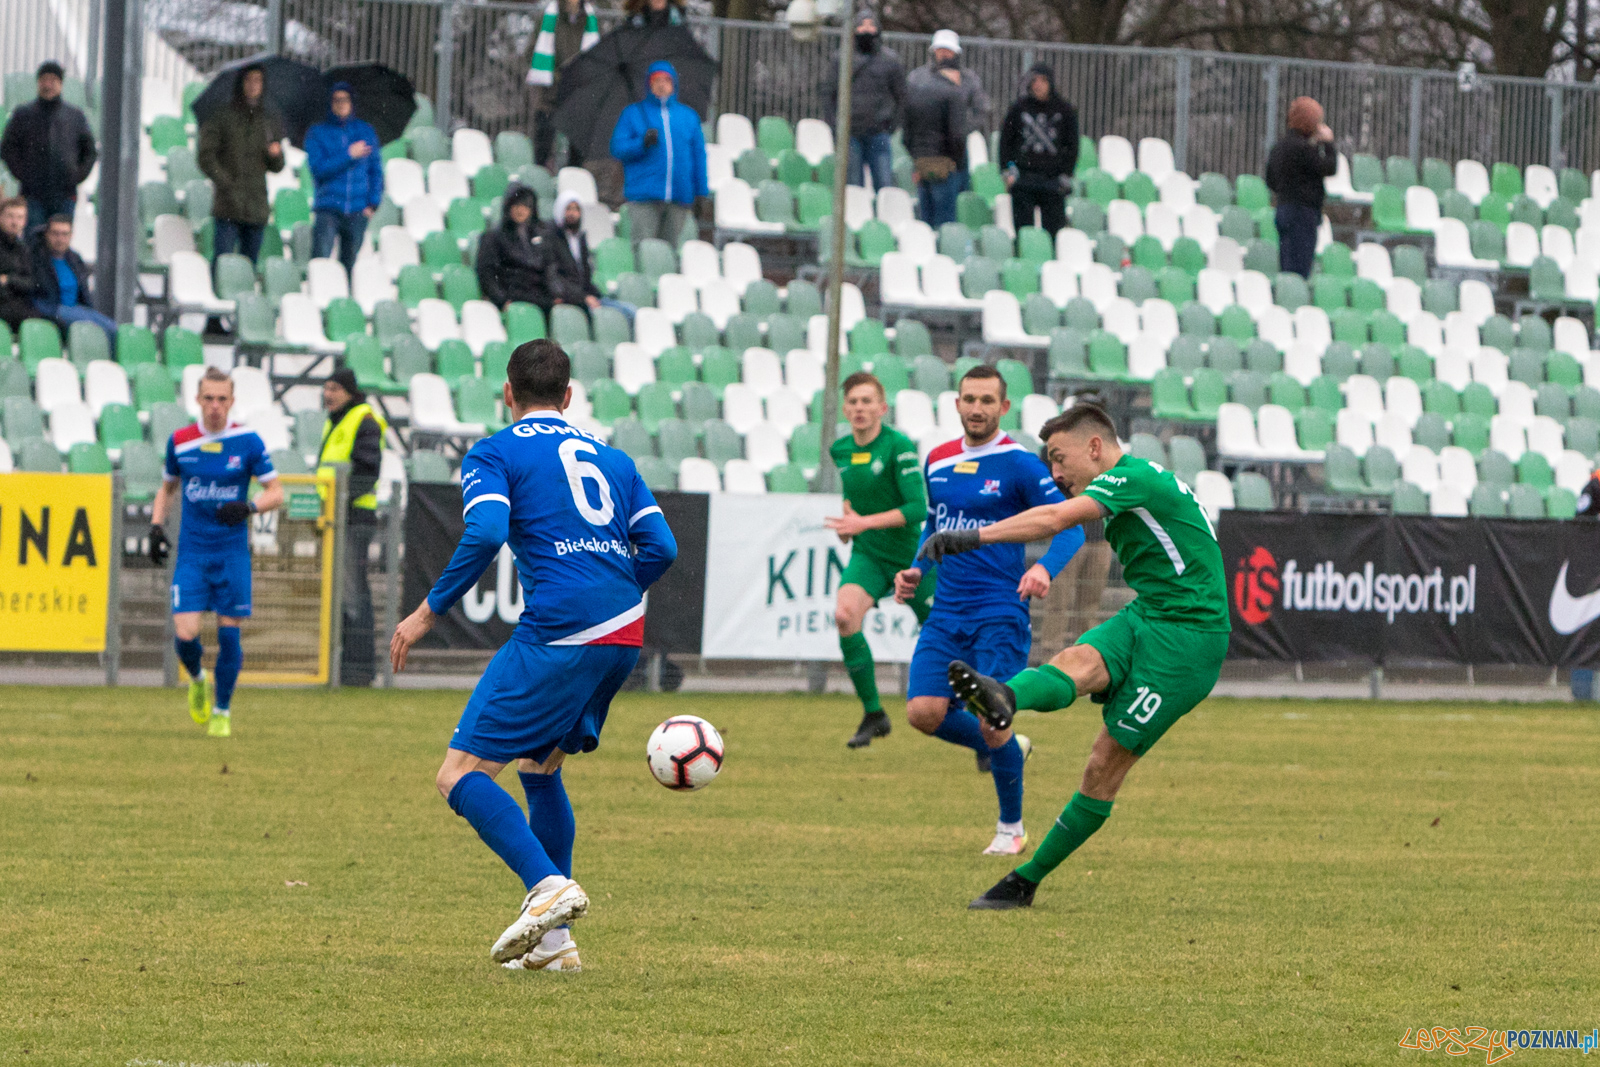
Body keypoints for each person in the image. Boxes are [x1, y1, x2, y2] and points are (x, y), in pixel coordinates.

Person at [389, 339, 677, 972]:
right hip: (623, 634)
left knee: (457, 774)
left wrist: (427, 612)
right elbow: (662, 546)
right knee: (540, 767)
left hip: (562, 632)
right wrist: (615, 591)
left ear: (508, 395)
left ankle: (548, 888)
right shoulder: (613, 459)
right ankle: (555, 946)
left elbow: (488, 531)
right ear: (569, 397)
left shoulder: (494, 451)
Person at [919, 403, 1229, 910]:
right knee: (1074, 660)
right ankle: (1002, 695)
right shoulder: (1137, 480)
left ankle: (1026, 880)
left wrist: (971, 537)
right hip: (1151, 614)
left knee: (1104, 762)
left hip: (1190, 642)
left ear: (1094, 447)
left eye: (1059, 460)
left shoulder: (1130, 477)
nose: (1056, 473)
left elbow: (1057, 519)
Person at [890, 365, 1085, 856]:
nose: (976, 408)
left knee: (990, 720)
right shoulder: (937, 460)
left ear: (1004, 408)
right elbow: (935, 527)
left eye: (986, 400)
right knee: (923, 712)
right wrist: (916, 569)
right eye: (968, 399)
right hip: (946, 612)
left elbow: (1072, 528)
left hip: (999, 610)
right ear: (956, 404)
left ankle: (1010, 828)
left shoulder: (1019, 464)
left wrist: (1044, 570)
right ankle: (1010, 751)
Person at [148, 367, 284, 739]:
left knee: (229, 635)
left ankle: (222, 709)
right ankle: (196, 678)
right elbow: (167, 488)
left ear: (232, 401)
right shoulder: (181, 441)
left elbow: (276, 491)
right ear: (197, 400)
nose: (215, 406)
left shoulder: (248, 442)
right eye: (208, 398)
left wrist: (250, 508)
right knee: (186, 632)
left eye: (222, 399)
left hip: (231, 553)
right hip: (192, 553)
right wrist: (157, 526)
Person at [825, 372, 934, 749]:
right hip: (869, 554)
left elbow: (918, 508)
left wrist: (861, 522)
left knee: (944, 634)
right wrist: (848, 526)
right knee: (844, 616)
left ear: (882, 408)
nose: (859, 408)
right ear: (845, 408)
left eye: (867, 401)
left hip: (912, 557)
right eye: (853, 401)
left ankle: (980, 723)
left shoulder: (898, 446)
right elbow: (854, 500)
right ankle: (874, 713)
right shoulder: (840, 450)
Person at [318, 367, 387, 688]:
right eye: (326, 387)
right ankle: (346, 664)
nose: (327, 394)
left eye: (334, 388)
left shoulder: (363, 420)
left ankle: (359, 667)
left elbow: (365, 472)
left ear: (348, 391)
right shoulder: (338, 421)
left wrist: (339, 503)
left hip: (353, 517)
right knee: (345, 590)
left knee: (352, 591)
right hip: (338, 516)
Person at [610, 61, 707, 251]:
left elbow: (698, 158)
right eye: (656, 80)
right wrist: (641, 143)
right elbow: (618, 148)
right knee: (644, 250)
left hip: (679, 197)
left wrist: (700, 192)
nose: (662, 85)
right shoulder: (633, 114)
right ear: (649, 84)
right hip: (644, 196)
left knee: (671, 252)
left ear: (673, 84)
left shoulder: (688, 117)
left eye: (666, 80)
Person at [198, 63, 287, 264]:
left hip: (257, 205)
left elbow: (277, 167)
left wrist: (276, 155)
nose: (254, 85)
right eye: (249, 80)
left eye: (258, 80)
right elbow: (205, 157)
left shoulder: (268, 119)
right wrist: (226, 182)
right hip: (228, 204)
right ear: (240, 83)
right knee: (223, 263)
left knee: (249, 265)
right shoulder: (222, 116)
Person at [0, 61, 97, 232]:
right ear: (38, 83)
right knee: (33, 241)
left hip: (65, 194)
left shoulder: (75, 116)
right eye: (44, 80)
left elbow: (89, 151)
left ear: (60, 83)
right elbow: (8, 148)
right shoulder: (23, 114)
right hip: (33, 194)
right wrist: (23, 174)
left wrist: (76, 175)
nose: (48, 85)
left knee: (60, 240)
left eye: (53, 80)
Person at [304, 82, 383, 278]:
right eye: (336, 100)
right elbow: (319, 169)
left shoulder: (365, 131)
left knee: (348, 266)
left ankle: (342, 304)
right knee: (320, 262)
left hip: (358, 210)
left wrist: (373, 203)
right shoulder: (317, 133)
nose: (341, 104)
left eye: (345, 99)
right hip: (328, 207)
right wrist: (349, 155)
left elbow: (376, 170)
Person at [822, 12, 904, 192]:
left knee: (884, 185)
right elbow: (829, 94)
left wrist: (892, 125)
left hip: (879, 132)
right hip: (850, 132)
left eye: (871, 25)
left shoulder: (890, 60)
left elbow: (901, 97)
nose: (866, 29)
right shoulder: (841, 58)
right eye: (862, 25)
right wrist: (836, 126)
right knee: (853, 186)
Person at [998, 65, 1078, 238]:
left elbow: (1072, 146)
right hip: (1023, 179)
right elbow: (1006, 143)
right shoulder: (1018, 109)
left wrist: (1065, 174)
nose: (1038, 85)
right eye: (1034, 81)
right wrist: (1008, 170)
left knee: (1054, 235)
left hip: (1052, 181)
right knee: (1024, 235)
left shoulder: (1064, 111)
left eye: (1042, 80)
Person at [1265, 96, 1336, 279]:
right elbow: (1329, 167)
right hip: (1303, 213)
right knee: (1300, 270)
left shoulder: (1279, 147)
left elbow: (1270, 179)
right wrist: (1328, 144)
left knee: (1287, 266)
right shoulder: (1304, 149)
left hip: (1284, 209)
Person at [528, 0, 600, 169]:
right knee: (542, 145)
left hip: (578, 92)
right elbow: (532, 52)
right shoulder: (548, 15)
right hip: (550, 91)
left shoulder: (589, 18)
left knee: (577, 148)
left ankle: (573, 184)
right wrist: (557, 76)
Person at [546, 190, 636, 323]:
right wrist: (583, 297)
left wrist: (594, 295)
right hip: (572, 299)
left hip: (586, 296)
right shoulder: (551, 239)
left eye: (576, 209)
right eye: (568, 209)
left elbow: (585, 277)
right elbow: (557, 278)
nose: (572, 213)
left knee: (631, 312)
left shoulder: (580, 238)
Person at [902, 52, 969, 228]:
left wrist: (916, 157)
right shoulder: (954, 94)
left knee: (926, 219)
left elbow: (906, 134)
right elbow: (957, 135)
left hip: (922, 163)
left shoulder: (916, 93)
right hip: (945, 165)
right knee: (945, 221)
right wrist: (957, 161)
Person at [30, 214, 116, 352]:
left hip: (78, 308)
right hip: (55, 308)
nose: (60, 239)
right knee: (99, 329)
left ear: (71, 236)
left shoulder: (75, 259)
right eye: (55, 234)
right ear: (47, 234)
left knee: (113, 328)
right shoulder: (37, 259)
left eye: (65, 234)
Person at [476, 185, 553, 314]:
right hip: (512, 298)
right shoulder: (493, 236)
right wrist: (501, 300)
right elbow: (487, 273)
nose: (521, 211)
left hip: (538, 299)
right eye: (517, 205)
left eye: (526, 206)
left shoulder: (539, 236)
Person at [908, 30, 991, 135]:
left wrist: (963, 131)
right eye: (940, 49)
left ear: (956, 52)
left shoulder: (969, 79)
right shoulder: (918, 77)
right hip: (927, 137)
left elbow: (980, 109)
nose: (944, 53)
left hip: (957, 139)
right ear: (934, 51)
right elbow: (909, 106)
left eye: (948, 50)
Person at [0, 197, 36, 331]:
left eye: (20, 217)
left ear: (25, 221)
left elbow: (31, 283)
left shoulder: (23, 249)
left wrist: (8, 279)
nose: (15, 222)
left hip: (19, 305)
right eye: (10, 216)